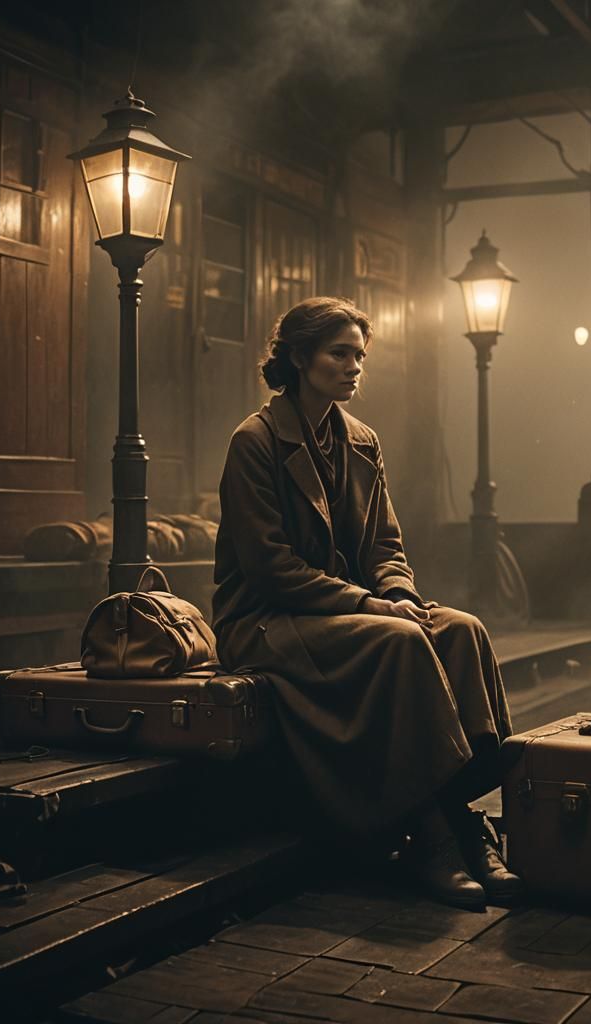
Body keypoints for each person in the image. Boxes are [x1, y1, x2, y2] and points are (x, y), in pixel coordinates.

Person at [212, 296, 520, 911]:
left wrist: (400, 595)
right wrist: (373, 608)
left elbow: (385, 543)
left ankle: (460, 813)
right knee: (401, 639)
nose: (354, 366)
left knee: (459, 629)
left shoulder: (361, 441)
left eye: (360, 355)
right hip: (268, 621)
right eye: (339, 353)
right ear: (299, 357)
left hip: (348, 613)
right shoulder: (255, 441)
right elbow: (271, 571)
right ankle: (436, 835)